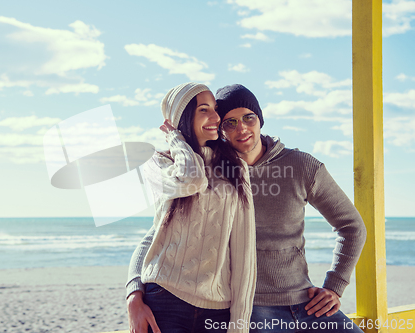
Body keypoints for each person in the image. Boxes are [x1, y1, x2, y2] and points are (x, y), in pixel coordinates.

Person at [127, 84, 367, 333]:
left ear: (260, 120)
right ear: (220, 130)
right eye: (230, 123)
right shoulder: (215, 172)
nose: (241, 128)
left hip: (307, 301)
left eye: (248, 118)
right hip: (253, 308)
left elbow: (352, 226)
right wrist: (134, 290)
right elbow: (158, 235)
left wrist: (334, 286)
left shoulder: (301, 166)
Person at [126, 82, 257, 333]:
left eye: (215, 109)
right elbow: (192, 180)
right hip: (165, 300)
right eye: (203, 110)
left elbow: (244, 250)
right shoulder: (161, 162)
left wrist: (239, 325)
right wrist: (176, 138)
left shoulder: (236, 166)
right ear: (183, 118)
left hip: (218, 308)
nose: (215, 118)